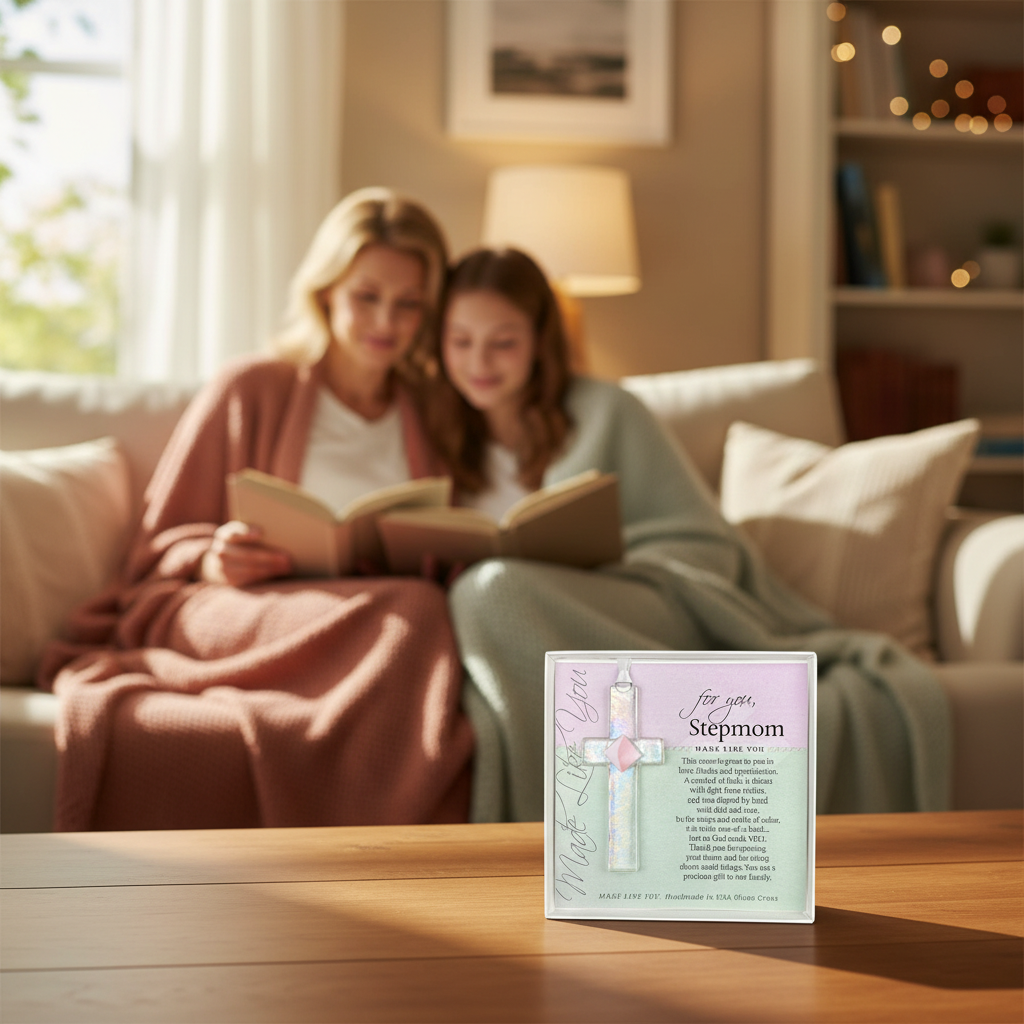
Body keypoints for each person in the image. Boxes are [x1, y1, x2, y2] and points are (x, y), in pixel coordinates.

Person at [421, 247, 951, 824]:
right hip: (523, 622)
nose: (479, 361)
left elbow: (702, 541)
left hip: (642, 603)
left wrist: (600, 565)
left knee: (492, 591)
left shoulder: (608, 411)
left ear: (539, 340)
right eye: (460, 340)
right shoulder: (434, 431)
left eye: (502, 342)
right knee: (484, 594)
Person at [39, 188, 474, 831]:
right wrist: (217, 560)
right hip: (237, 609)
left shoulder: (436, 413)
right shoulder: (251, 386)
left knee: (415, 610)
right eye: (367, 297)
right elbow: (159, 545)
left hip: (367, 615)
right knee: (412, 613)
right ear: (326, 291)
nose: (387, 321)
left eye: (410, 304)